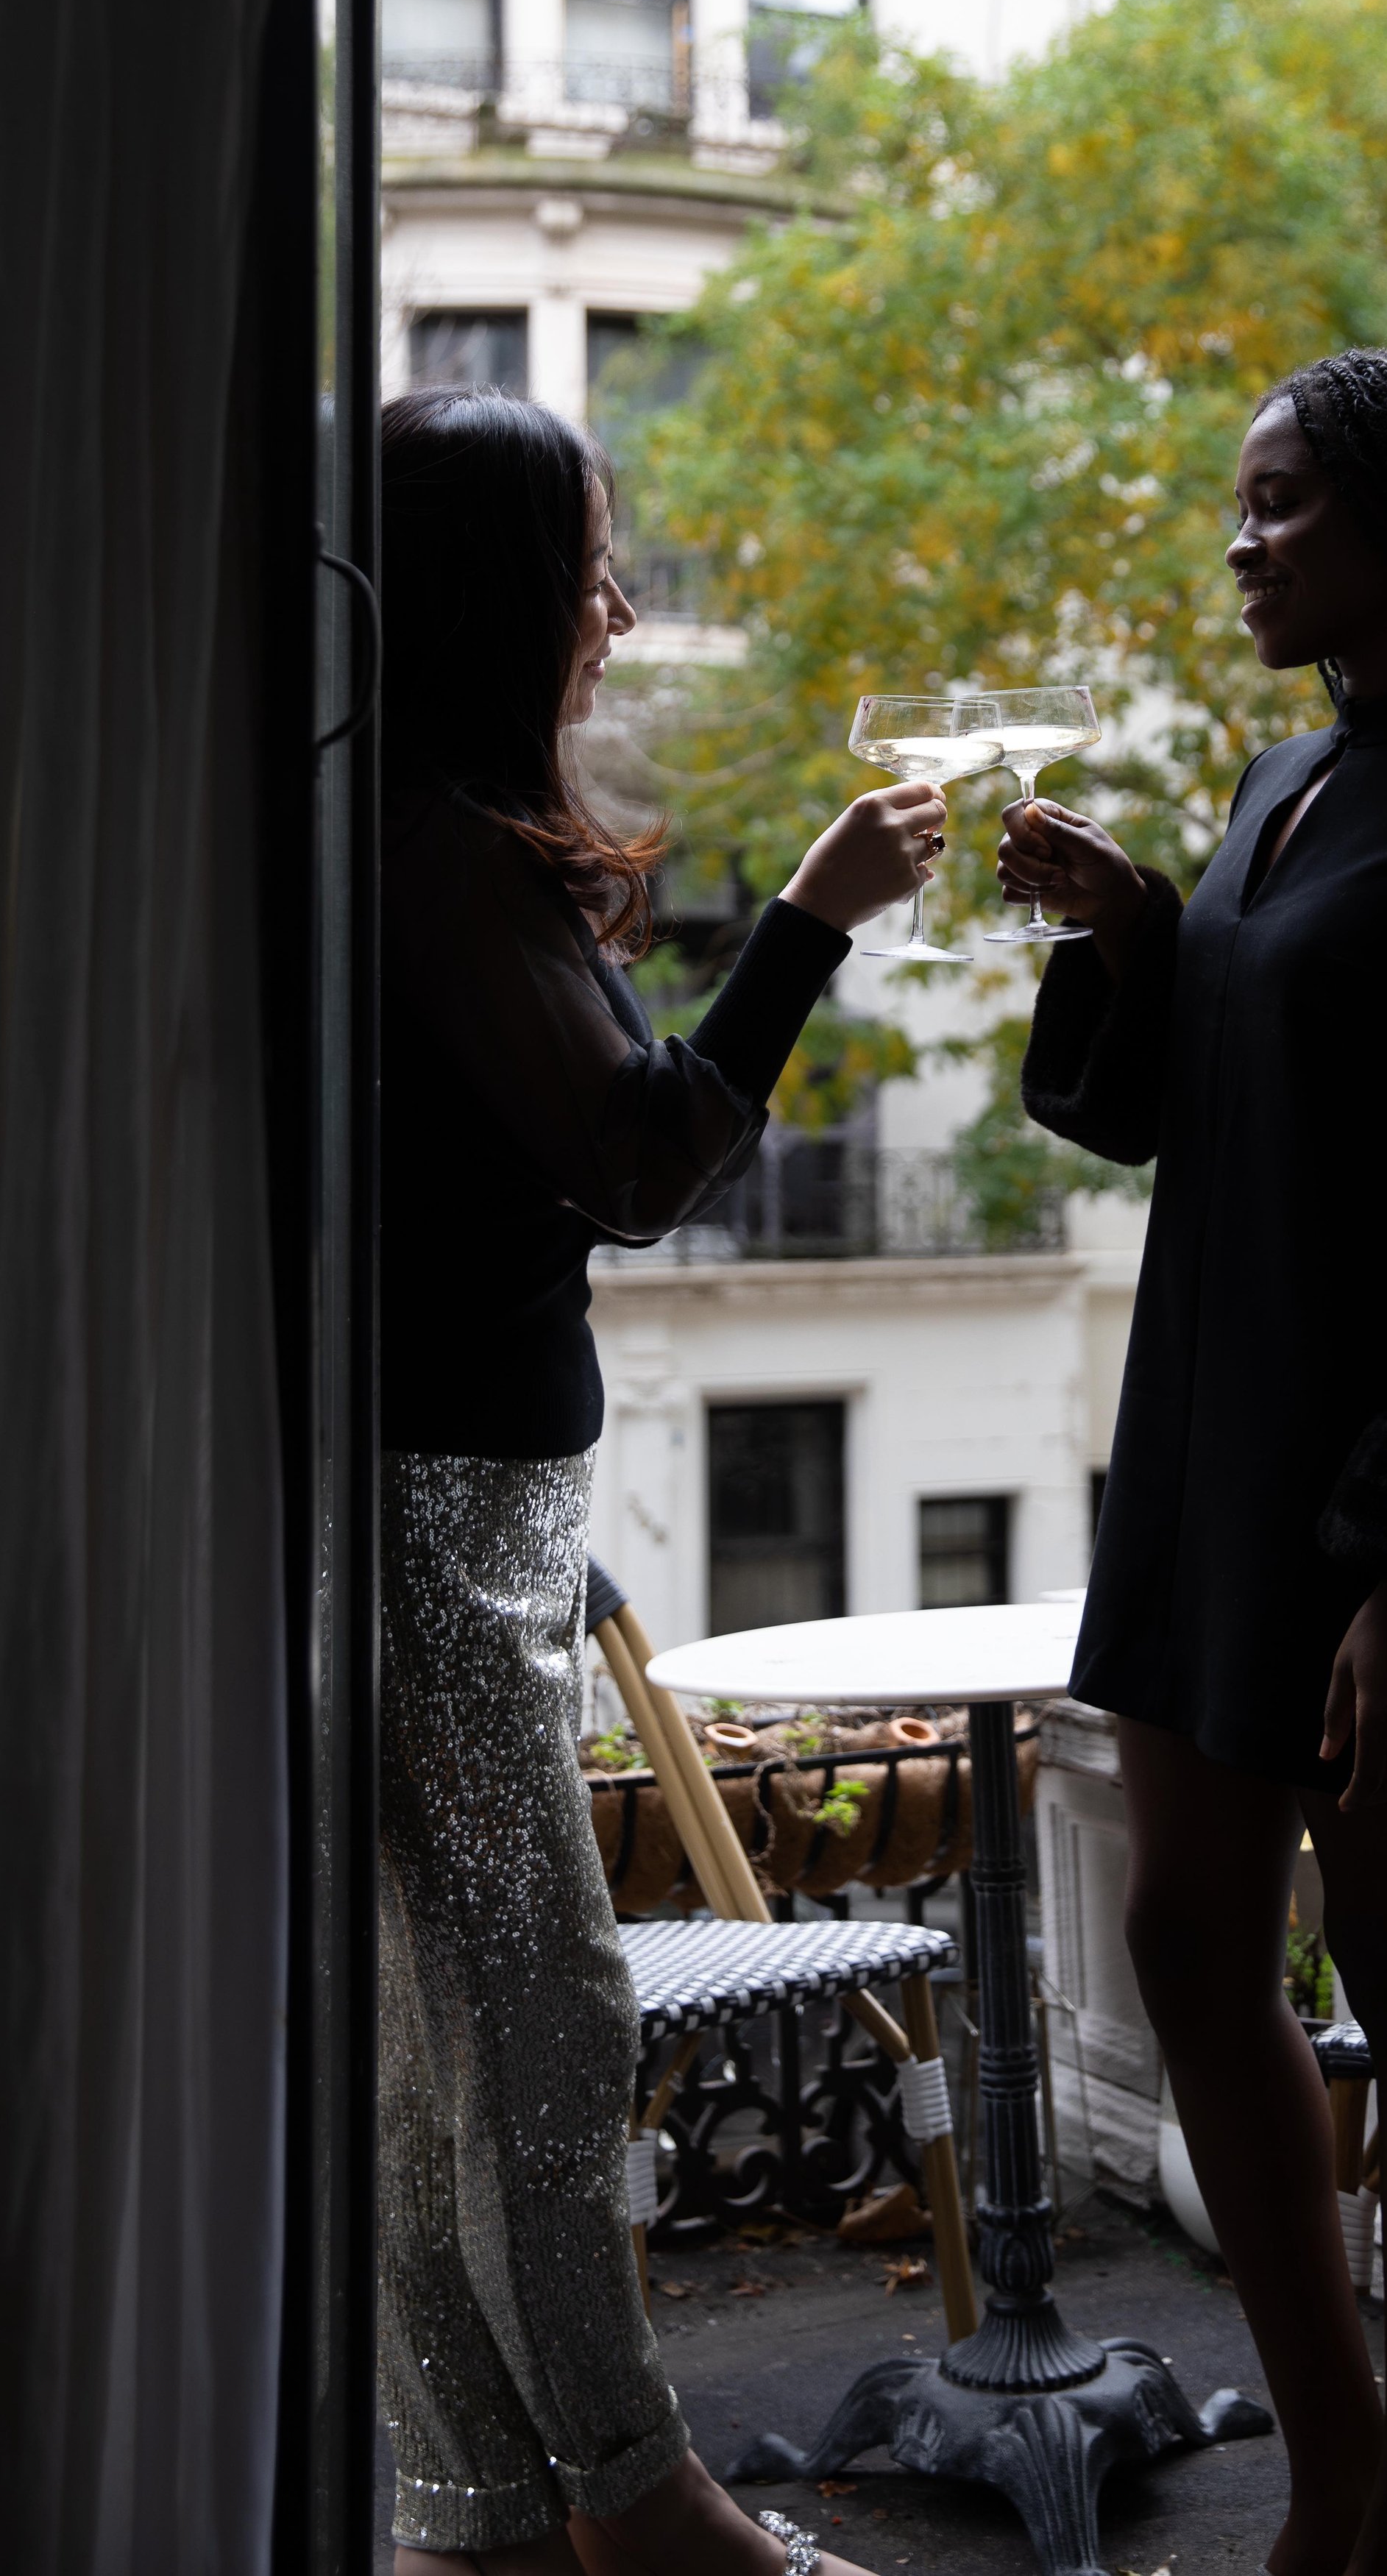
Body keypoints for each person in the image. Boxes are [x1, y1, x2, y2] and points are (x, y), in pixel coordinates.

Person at [378, 386, 942, 2576]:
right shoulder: (442, 847)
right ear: (494, 595)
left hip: (447, 1502)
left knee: (435, 2050)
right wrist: (809, 916)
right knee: (536, 2023)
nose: (613, 608)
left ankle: (482, 2522)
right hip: (442, 1516)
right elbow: (639, 1159)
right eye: (589, 564)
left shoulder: (406, 827)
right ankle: (646, 2507)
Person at [997, 350, 1387, 2576]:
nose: (1243, 540)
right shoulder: (1274, 779)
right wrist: (1143, 927)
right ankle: (1333, 2467)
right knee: (1184, 1929)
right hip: (1204, 1454)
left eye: (1284, 500)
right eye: (1243, 502)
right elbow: (1179, 1106)